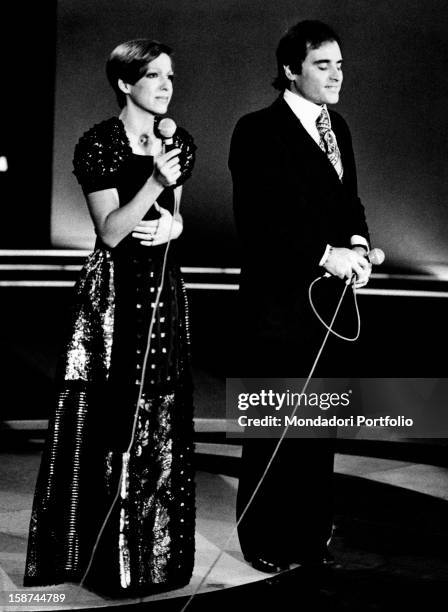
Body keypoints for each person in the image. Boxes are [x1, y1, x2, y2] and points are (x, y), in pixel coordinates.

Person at [24, 39, 196, 595]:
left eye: (170, 75)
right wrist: (154, 184)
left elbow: (174, 219)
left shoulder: (179, 143)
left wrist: (175, 226)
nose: (167, 85)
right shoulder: (98, 144)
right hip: (115, 300)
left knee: (160, 414)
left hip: (163, 293)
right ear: (125, 83)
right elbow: (111, 231)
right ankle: (105, 561)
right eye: (154, 76)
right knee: (113, 415)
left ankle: (156, 560)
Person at [229, 20, 372, 573]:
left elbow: (348, 203)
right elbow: (259, 223)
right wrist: (323, 254)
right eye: (323, 64)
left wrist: (357, 244)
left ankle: (310, 535)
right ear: (290, 70)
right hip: (278, 305)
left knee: (319, 427)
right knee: (275, 427)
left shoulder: (339, 127)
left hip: (330, 306)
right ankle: (263, 537)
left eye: (340, 63)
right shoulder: (257, 130)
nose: (337, 74)